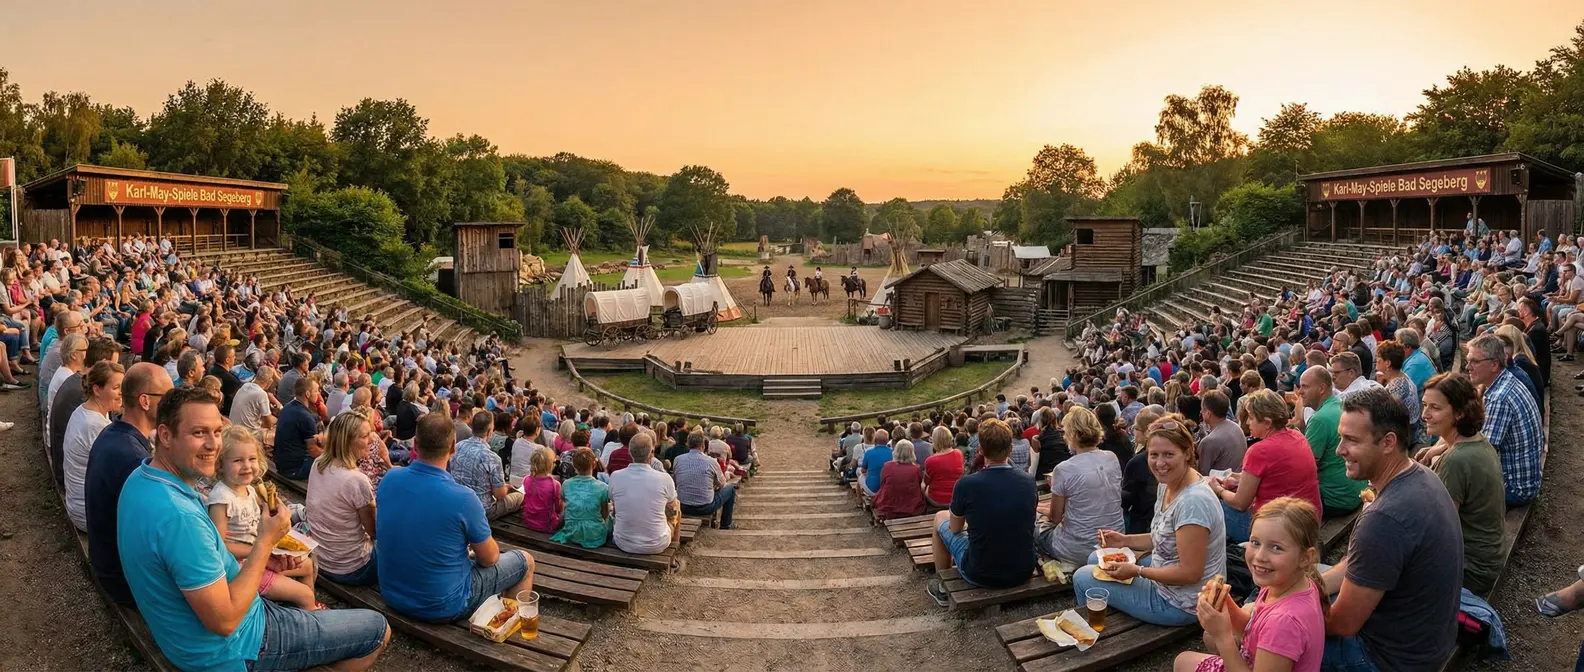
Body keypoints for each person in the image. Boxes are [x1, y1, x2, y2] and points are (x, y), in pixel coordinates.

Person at [118, 385, 390, 671]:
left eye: (216, 432)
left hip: (202, 632)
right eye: (199, 433)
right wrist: (263, 543)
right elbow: (224, 621)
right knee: (378, 629)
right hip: (236, 646)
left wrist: (265, 559)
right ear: (165, 435)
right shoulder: (179, 518)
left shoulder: (140, 479)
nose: (213, 444)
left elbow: (197, 557)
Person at [1320, 387, 1463, 671]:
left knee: (1264, 636)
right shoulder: (1419, 475)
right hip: (1428, 640)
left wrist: (1274, 609)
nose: (1339, 450)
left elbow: (1341, 623)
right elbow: (1358, 564)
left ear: (1387, 443)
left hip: (1387, 659)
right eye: (1340, 438)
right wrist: (1310, 584)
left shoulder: (1384, 519)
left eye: (1351, 440)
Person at [376, 412, 535, 623]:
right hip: (443, 604)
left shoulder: (390, 478)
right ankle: (511, 631)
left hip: (392, 593)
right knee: (525, 561)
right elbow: (490, 558)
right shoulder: (463, 498)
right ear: (452, 447)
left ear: (415, 444)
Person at [1074, 415, 1226, 626]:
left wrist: (1138, 571)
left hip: (1184, 602)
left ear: (1188, 453)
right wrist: (1124, 540)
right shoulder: (1169, 482)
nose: (1160, 463)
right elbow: (1164, 536)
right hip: (1170, 577)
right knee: (1096, 559)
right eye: (1153, 454)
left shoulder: (1194, 503)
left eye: (1168, 455)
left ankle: (1096, 634)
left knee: (1082, 577)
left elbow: (1191, 573)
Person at [1174, 497, 1327, 672]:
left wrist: (1222, 637)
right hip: (1252, 661)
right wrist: (1227, 607)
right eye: (1255, 542)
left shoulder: (1284, 622)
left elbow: (1271, 631)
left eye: (1276, 547)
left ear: (1305, 558)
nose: (1260, 556)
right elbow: (1255, 630)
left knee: (1185, 660)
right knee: (1183, 660)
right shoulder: (1283, 583)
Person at [86, 363, 173, 604]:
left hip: (108, 562)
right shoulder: (132, 459)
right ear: (145, 401)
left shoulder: (115, 433)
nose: (172, 404)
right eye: (168, 397)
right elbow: (160, 533)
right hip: (122, 578)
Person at [927, 418, 1037, 605]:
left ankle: (942, 587)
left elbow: (954, 528)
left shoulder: (966, 484)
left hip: (980, 573)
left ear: (980, 450)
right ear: (1010, 448)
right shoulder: (1028, 481)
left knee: (939, 518)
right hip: (1024, 569)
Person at [208, 427, 320, 610]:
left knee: (307, 566)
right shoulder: (222, 499)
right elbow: (219, 547)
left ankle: (306, 610)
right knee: (304, 593)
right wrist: (260, 550)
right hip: (242, 569)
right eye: (237, 460)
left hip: (260, 556)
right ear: (220, 464)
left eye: (252, 459)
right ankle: (309, 613)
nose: (247, 466)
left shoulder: (249, 490)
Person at [1425, 335, 1543, 506]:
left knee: (1442, 470)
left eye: (1475, 362)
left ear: (1494, 364)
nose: (1468, 367)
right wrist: (1438, 448)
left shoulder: (1499, 398)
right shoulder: (1505, 382)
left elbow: (1479, 451)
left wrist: (1437, 453)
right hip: (1525, 479)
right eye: (1468, 361)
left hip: (1515, 488)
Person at [1417, 374, 1505, 594]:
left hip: (1471, 569)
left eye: (1435, 408)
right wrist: (1438, 448)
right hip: (1487, 557)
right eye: (1424, 405)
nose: (1424, 414)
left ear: (1459, 413)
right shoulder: (1476, 440)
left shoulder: (1457, 460)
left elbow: (1438, 532)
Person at [1210, 390, 1322, 543]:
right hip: (1308, 520)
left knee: (1212, 507)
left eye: (1251, 417)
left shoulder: (1259, 451)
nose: (1248, 422)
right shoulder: (1297, 436)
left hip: (1282, 529)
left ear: (1267, 423)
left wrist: (1219, 490)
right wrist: (1239, 478)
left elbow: (1240, 503)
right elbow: (1277, 476)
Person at [1037, 406, 1124, 566]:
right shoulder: (1111, 458)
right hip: (1114, 540)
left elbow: (1054, 518)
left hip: (1078, 549)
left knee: (1038, 530)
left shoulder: (1064, 469)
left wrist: (1046, 512)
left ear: (1071, 434)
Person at [307, 407, 380, 586]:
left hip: (321, 559)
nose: (371, 439)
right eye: (364, 436)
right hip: (352, 568)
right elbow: (374, 531)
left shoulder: (319, 463)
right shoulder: (356, 480)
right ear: (347, 442)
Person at [62, 360, 124, 531]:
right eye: (116, 388)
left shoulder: (83, 411)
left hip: (78, 505)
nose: (122, 394)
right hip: (88, 515)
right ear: (97, 389)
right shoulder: (96, 425)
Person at [1297, 367, 1364, 519]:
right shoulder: (1339, 404)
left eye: (1305, 386)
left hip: (1336, 499)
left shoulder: (1319, 419)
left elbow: (1306, 469)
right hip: (1355, 490)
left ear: (1321, 388)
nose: (1300, 391)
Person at [608, 434, 681, 554]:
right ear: (651, 452)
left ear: (630, 452)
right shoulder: (664, 478)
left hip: (622, 541)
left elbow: (615, 504)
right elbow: (672, 508)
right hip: (657, 543)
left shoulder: (616, 476)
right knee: (676, 505)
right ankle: (675, 552)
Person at [449, 410, 524, 519]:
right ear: (489, 432)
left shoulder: (457, 447)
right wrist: (507, 488)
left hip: (457, 502)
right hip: (481, 510)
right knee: (520, 497)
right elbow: (500, 495)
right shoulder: (492, 458)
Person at [551, 447, 614, 549]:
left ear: (574, 466)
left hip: (571, 532)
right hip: (594, 534)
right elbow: (604, 514)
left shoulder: (567, 484)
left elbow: (564, 502)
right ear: (594, 465)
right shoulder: (603, 487)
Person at [675, 430, 736, 529]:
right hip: (704, 507)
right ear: (703, 445)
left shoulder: (678, 460)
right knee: (730, 489)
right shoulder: (711, 462)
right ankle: (726, 524)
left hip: (683, 505)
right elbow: (722, 483)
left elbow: (676, 481)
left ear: (688, 443)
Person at [272, 375, 323, 480]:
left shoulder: (287, 407)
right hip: (295, 470)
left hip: (281, 465)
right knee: (329, 459)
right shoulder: (306, 417)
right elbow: (313, 451)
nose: (318, 393)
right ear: (308, 394)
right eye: (316, 391)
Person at [872, 439, 926, 521]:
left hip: (889, 502)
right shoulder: (915, 469)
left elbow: (882, 483)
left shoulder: (887, 466)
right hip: (910, 503)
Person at [1195, 390, 1245, 474]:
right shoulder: (1236, 427)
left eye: (1202, 409)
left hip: (1220, 484)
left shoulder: (1209, 441)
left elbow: (1202, 474)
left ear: (1208, 413)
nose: (1200, 412)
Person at [519, 446, 563, 533]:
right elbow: (559, 508)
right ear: (551, 465)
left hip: (529, 521)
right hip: (547, 525)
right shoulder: (555, 485)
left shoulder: (526, 479)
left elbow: (524, 501)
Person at [922, 426, 964, 507]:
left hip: (937, 500)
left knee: (923, 487)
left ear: (935, 441)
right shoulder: (958, 453)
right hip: (956, 497)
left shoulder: (930, 461)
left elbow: (927, 482)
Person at [506, 414, 544, 488]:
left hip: (513, 480)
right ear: (537, 430)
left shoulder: (516, 442)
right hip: (528, 483)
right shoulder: (540, 449)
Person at [859, 428, 893, 498]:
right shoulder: (893, 452)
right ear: (887, 440)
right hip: (888, 489)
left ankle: (859, 501)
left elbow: (863, 471)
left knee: (861, 477)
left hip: (873, 490)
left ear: (875, 439)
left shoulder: (869, 452)